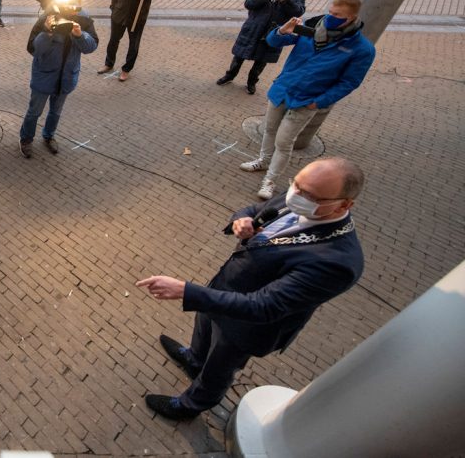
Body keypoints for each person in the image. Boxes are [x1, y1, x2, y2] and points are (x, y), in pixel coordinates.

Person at [136, 158, 366, 421]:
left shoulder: (338, 262)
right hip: (220, 292)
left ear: (345, 204)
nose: (296, 195)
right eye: (296, 185)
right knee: (204, 331)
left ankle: (191, 405)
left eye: (310, 195)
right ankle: (194, 359)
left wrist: (187, 292)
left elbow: (264, 306)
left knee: (219, 367)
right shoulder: (301, 195)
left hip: (247, 326)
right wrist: (241, 220)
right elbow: (254, 209)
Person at [240, 0, 375, 199]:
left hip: (307, 101)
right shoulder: (312, 27)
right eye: (330, 12)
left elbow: (349, 82)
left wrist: (318, 102)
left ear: (351, 17)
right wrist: (281, 31)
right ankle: (263, 161)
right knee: (269, 129)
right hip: (283, 90)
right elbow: (272, 41)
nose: (331, 17)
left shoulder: (362, 49)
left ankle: (270, 180)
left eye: (337, 15)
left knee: (284, 142)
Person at [19, 0, 98, 158]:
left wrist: (80, 36)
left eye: (73, 4)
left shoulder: (83, 18)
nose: (70, 7)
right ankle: (26, 139)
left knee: (55, 112)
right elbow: (33, 49)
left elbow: (91, 47)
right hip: (45, 77)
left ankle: (48, 136)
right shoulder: (48, 16)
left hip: (66, 77)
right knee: (34, 112)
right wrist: (47, 33)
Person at [217, 0, 305, 94]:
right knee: (239, 55)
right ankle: (229, 75)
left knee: (261, 60)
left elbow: (298, 12)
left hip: (272, 33)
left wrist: (286, 1)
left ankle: (251, 82)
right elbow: (249, 3)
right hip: (253, 28)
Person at [98, 0, 162, 81]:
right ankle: (108, 63)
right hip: (119, 12)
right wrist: (113, 6)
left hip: (137, 15)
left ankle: (126, 69)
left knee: (134, 44)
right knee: (113, 40)